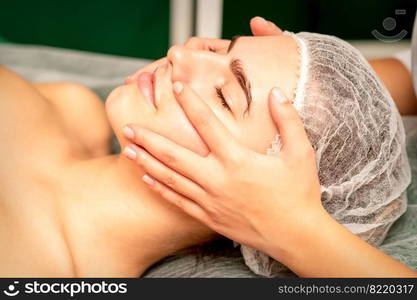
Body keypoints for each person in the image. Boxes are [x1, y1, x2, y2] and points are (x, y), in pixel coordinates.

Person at [122, 17, 417, 277]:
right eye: (217, 48)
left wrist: (293, 226)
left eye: (224, 97)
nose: (178, 53)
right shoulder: (80, 112)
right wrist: (303, 69)